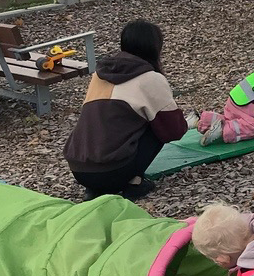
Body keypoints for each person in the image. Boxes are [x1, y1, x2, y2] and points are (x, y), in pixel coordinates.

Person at [64, 20, 188, 201]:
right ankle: (133, 184)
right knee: (157, 124)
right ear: (155, 47)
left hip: (79, 170)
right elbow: (174, 130)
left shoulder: (99, 75)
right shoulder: (150, 78)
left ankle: (97, 188)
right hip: (112, 171)